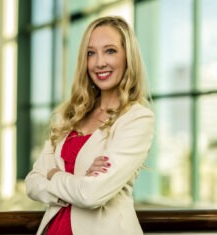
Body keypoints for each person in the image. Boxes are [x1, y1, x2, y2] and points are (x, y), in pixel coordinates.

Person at [25, 15, 154, 235]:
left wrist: (54, 175)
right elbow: (32, 183)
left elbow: (91, 195)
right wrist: (79, 181)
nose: (99, 62)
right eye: (90, 53)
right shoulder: (71, 116)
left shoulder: (137, 119)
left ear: (128, 57)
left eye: (110, 51)